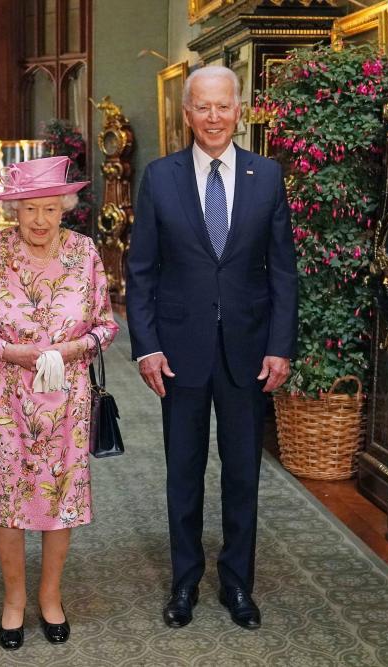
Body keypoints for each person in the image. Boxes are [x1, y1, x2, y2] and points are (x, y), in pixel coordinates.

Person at [125, 66, 298, 631]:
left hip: (250, 354)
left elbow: (283, 274)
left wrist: (280, 346)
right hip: (180, 352)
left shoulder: (267, 176)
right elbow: (141, 270)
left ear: (239, 110)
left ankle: (237, 585)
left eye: (224, 106)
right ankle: (183, 584)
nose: (215, 118)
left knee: (244, 473)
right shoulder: (159, 177)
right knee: (185, 472)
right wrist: (147, 348)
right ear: (186, 112)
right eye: (203, 107)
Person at [0, 156, 119, 650]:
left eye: (50, 209)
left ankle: (50, 597)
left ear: (65, 207)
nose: (41, 220)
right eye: (30, 210)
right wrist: (10, 351)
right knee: (9, 501)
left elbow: (106, 325)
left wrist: (72, 350)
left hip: (67, 397)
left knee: (59, 498)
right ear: (15, 211)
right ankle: (14, 601)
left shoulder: (85, 252)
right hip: (6, 398)